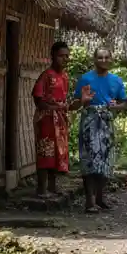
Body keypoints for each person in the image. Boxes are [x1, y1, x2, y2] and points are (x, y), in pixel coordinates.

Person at [72, 47, 127, 213]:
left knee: (106, 159)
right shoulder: (85, 79)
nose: (103, 61)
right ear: (94, 60)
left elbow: (125, 102)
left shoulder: (116, 80)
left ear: (111, 59)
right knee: (88, 159)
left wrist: (116, 105)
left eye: (106, 57)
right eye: (100, 58)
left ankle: (100, 198)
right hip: (89, 120)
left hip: (106, 121)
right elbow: (74, 103)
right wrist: (83, 100)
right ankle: (89, 200)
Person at [32, 42, 82, 197]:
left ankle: (53, 187)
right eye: (61, 56)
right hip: (46, 119)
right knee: (45, 152)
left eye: (67, 56)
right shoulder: (46, 76)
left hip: (60, 120)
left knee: (57, 153)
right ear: (53, 56)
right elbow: (38, 98)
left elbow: (65, 101)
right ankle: (41, 189)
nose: (65, 59)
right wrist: (54, 108)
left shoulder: (65, 77)